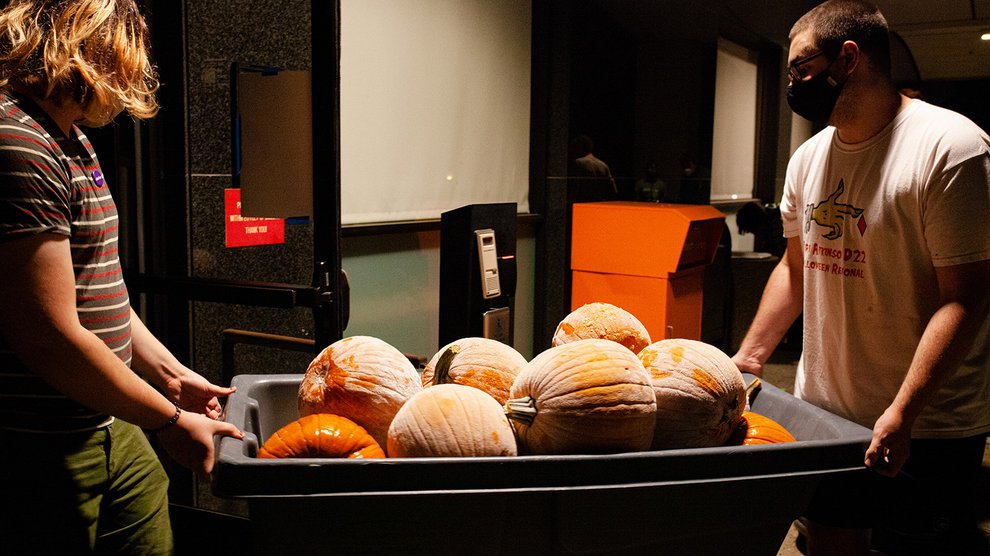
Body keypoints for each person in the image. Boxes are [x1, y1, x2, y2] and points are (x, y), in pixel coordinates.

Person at [731, 1, 990, 555]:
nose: (795, 83)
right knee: (828, 543)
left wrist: (904, 410)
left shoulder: (951, 149)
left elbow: (965, 298)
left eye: (801, 68)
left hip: (929, 425)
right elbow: (796, 267)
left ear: (848, 58)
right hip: (825, 414)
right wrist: (751, 356)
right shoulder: (808, 158)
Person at [0, 1, 244, 553]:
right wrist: (169, 420)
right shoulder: (17, 143)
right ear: (89, 47)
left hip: (111, 419)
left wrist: (173, 377)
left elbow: (98, 286)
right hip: (41, 442)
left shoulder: (70, 136)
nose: (132, 76)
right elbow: (48, 336)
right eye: (126, 54)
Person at [568, 134, 617, 202]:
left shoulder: (578, 163)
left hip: (583, 205)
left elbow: (575, 188)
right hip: (598, 205)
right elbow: (612, 190)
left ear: (579, 148)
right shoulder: (603, 165)